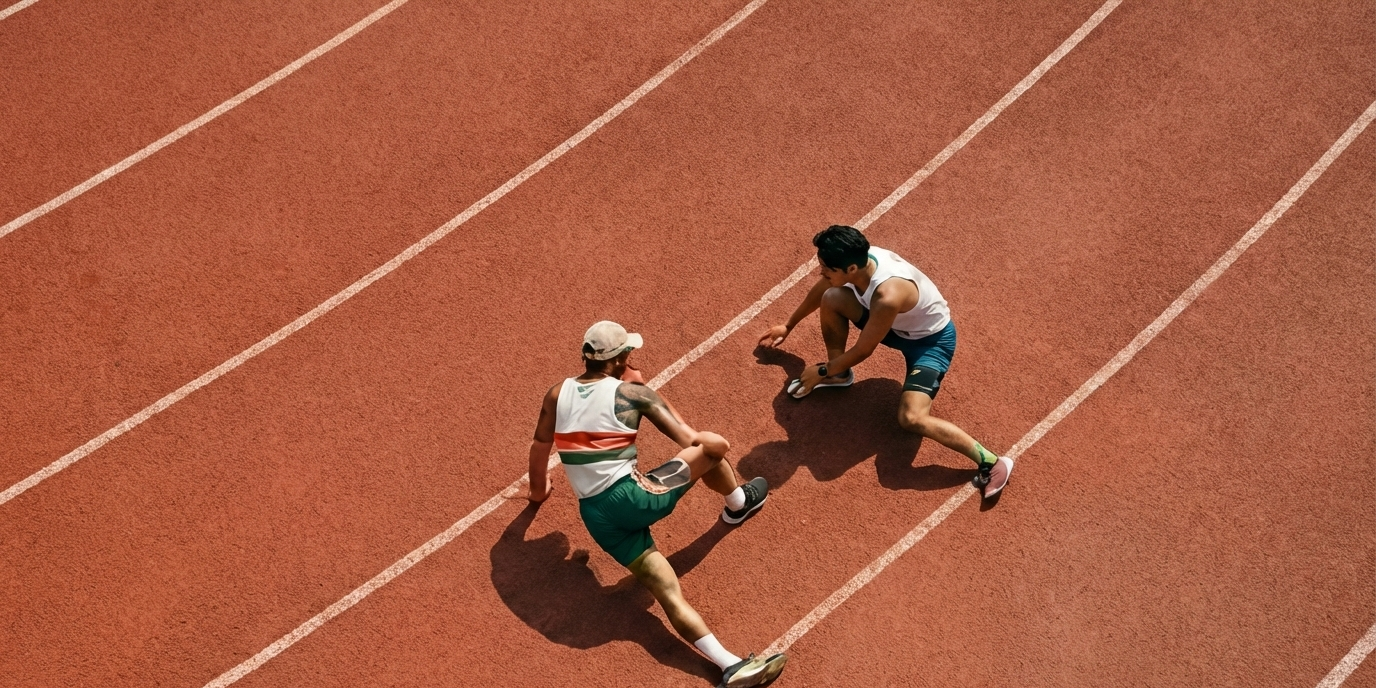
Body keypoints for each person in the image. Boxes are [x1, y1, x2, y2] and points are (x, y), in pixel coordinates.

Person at [528, 321, 788, 688]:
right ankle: (738, 503)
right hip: (634, 498)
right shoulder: (634, 395)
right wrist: (645, 389)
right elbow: (699, 441)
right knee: (712, 454)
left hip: (595, 515)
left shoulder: (557, 393)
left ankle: (730, 665)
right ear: (621, 359)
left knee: (667, 592)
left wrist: (538, 493)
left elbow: (539, 448)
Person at [758, 225, 1013, 498]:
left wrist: (821, 370)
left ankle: (992, 461)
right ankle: (840, 376)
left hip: (930, 343)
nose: (821, 273)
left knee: (911, 418)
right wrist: (788, 325)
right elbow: (826, 285)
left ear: (851, 269)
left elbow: (864, 349)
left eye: (827, 269)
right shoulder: (859, 263)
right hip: (896, 328)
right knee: (831, 297)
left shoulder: (888, 294)